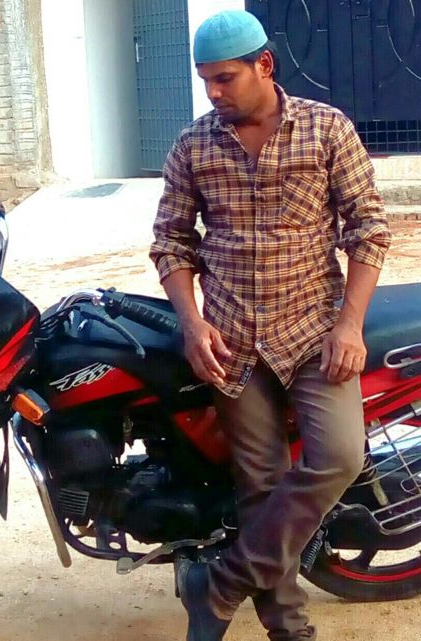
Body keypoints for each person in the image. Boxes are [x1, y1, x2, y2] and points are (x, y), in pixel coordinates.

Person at [149, 9, 392, 641]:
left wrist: (350, 325)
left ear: (264, 65)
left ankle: (222, 583)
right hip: (231, 339)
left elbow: (368, 228)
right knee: (260, 486)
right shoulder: (193, 145)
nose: (213, 92)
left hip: (314, 329)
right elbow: (171, 241)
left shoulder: (326, 128)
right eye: (206, 80)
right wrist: (193, 324)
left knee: (339, 456)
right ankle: (288, 627)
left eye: (224, 78)